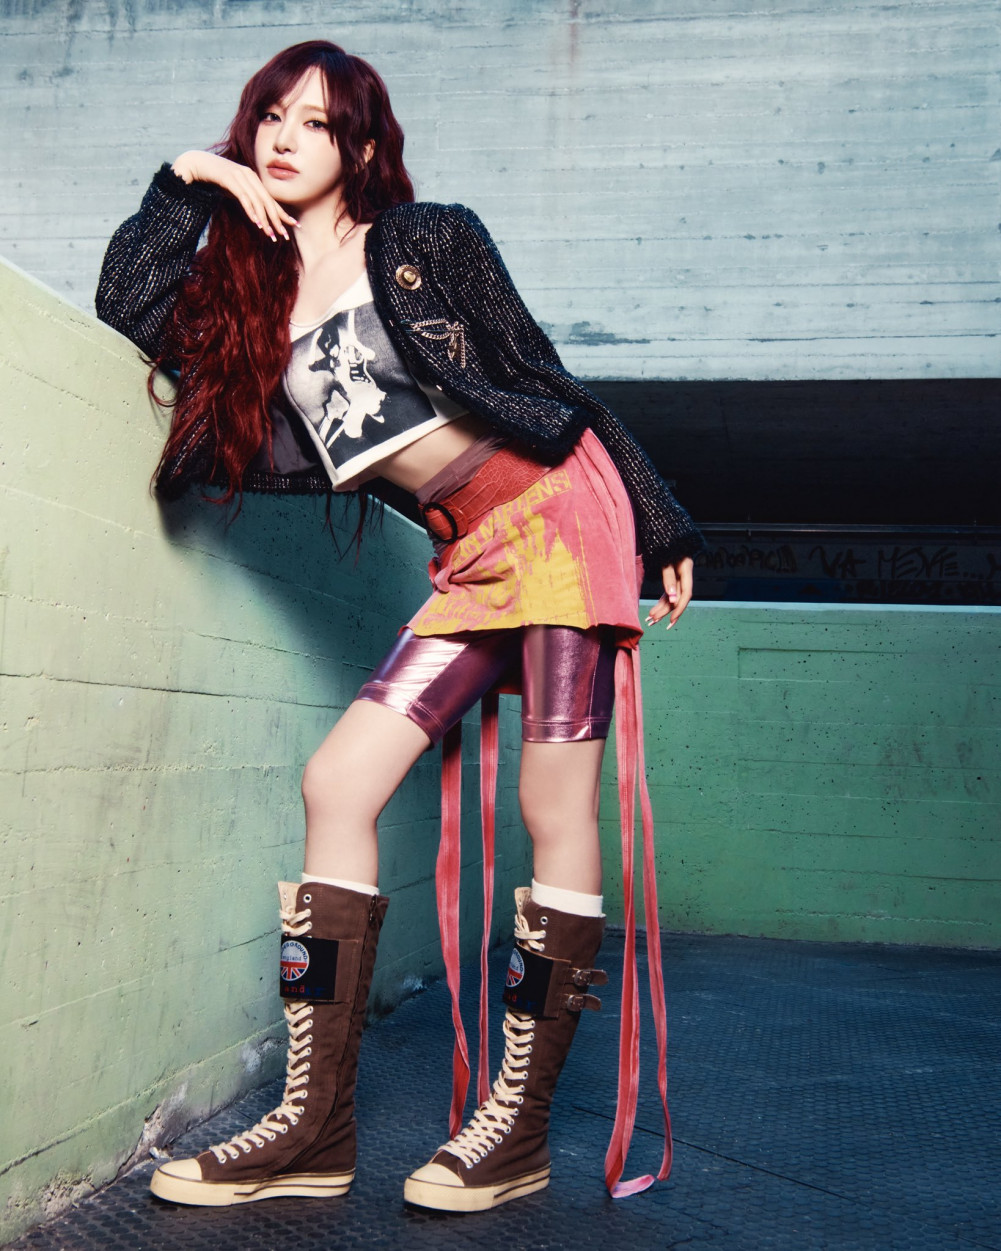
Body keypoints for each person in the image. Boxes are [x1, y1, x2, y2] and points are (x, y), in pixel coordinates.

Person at [96, 39, 701, 1214]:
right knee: (337, 783)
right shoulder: (248, 301)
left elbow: (545, 378)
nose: (285, 139)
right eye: (270, 117)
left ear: (360, 145)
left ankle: (515, 1130)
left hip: (557, 511)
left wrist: (661, 514)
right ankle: (312, 1128)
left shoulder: (425, 242)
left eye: (316, 123)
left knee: (551, 807)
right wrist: (186, 179)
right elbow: (130, 303)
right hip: (467, 552)